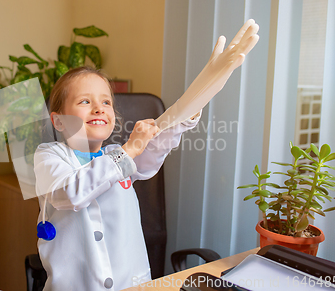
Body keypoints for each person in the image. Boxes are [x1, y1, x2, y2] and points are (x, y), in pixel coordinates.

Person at [33, 20, 259, 290]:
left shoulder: (118, 154)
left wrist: (202, 91)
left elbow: (159, 141)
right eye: (85, 101)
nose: (98, 108)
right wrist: (128, 150)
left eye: (106, 101)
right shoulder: (48, 156)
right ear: (58, 121)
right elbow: (71, 192)